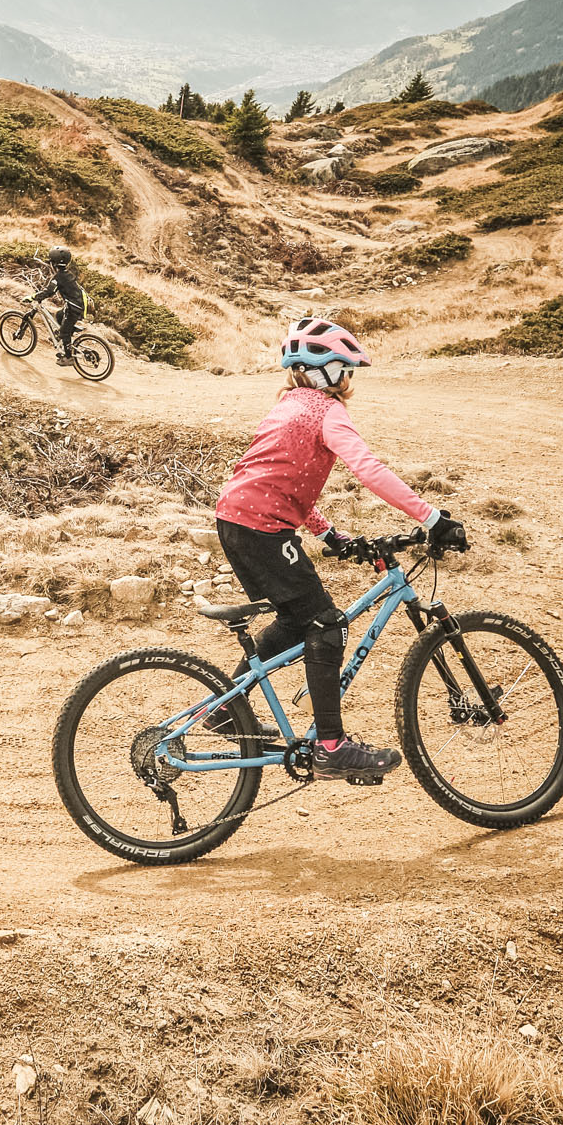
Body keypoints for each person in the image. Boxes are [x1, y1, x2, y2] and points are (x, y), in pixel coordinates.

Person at [210, 316, 467, 783]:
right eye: (347, 369)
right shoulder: (327, 412)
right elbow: (368, 469)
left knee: (295, 619)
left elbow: (285, 480)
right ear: (330, 372)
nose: (350, 380)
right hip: (263, 528)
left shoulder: (289, 404)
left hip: (236, 521)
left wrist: (328, 533)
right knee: (327, 622)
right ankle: (331, 746)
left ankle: (225, 711)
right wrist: (432, 518)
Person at [33, 245, 87, 363]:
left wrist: (35, 297)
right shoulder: (67, 273)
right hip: (77, 305)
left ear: (54, 263)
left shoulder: (58, 277)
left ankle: (68, 357)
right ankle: (65, 335)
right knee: (58, 315)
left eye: (51, 262)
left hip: (73, 308)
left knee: (64, 332)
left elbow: (49, 291)